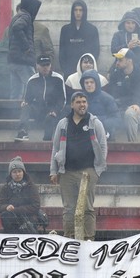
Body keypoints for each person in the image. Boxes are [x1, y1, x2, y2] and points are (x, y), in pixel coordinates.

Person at [49, 91, 107, 240]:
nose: (82, 105)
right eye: (78, 102)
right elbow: (55, 148)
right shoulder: (63, 124)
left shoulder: (94, 122)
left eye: (84, 102)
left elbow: (103, 145)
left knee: (87, 207)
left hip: (88, 171)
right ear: (72, 104)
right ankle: (69, 238)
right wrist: (53, 171)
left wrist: (97, 169)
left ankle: (88, 239)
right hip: (66, 172)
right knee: (69, 208)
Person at [15, 55, 66, 142]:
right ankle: (23, 131)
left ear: (50, 65)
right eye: (42, 65)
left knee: (50, 118)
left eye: (47, 65)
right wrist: (25, 103)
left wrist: (56, 110)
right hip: (38, 109)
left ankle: (48, 138)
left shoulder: (58, 78)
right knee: (25, 107)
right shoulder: (32, 80)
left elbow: (62, 99)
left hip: (53, 110)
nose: (45, 67)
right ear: (37, 66)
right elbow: (28, 98)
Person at [107, 48, 140, 142]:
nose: (117, 63)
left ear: (129, 60)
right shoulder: (115, 74)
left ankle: (132, 146)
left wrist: (138, 104)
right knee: (108, 114)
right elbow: (111, 94)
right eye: (116, 60)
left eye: (120, 60)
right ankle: (110, 147)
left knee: (130, 113)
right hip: (120, 107)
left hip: (139, 108)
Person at [8, 0, 42, 100]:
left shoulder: (17, 16)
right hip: (23, 60)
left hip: (13, 60)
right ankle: (34, 113)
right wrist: (26, 47)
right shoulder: (26, 16)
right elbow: (17, 28)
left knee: (16, 92)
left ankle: (12, 114)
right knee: (34, 86)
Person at [0, 156, 41, 234]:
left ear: (23, 172)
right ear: (10, 174)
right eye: (14, 172)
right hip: (11, 219)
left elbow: (36, 206)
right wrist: (6, 207)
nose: (17, 174)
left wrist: (16, 210)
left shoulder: (31, 187)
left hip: (28, 219)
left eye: (19, 171)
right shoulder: (5, 188)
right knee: (6, 215)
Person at [59, 0, 100, 78]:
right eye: (76, 10)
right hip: (69, 72)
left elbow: (96, 51)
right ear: (72, 12)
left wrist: (89, 67)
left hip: (87, 71)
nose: (78, 13)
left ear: (84, 12)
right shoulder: (65, 29)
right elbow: (62, 52)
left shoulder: (92, 29)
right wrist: (65, 69)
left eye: (80, 10)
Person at [80, 69, 120, 140]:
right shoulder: (79, 99)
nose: (89, 85)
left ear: (97, 83)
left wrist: (99, 121)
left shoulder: (107, 98)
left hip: (104, 134)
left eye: (92, 82)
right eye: (86, 83)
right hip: (83, 134)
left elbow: (116, 119)